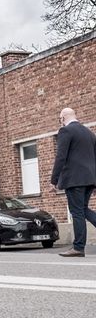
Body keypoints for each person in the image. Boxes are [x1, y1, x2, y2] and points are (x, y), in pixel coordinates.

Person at [49, 107, 96, 258]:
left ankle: (78, 248)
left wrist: (53, 180)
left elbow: (61, 156)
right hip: (90, 179)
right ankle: (79, 246)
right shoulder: (89, 133)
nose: (60, 122)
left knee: (77, 212)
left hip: (74, 180)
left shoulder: (66, 131)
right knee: (82, 209)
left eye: (59, 119)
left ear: (63, 118)